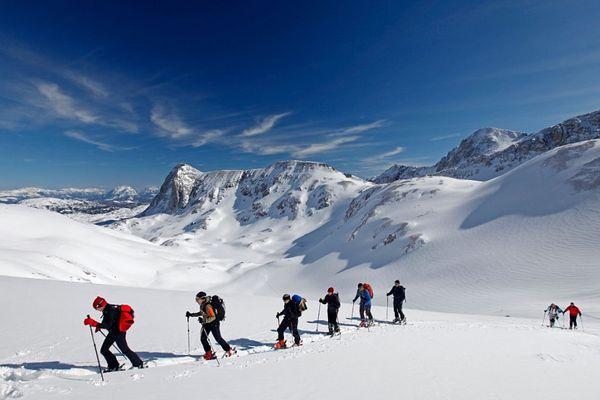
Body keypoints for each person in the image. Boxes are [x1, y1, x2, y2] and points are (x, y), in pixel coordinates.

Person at [83, 296, 144, 372]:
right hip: (113, 332)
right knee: (104, 350)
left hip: (119, 333)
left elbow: (107, 325)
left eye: (96, 308)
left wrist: (94, 323)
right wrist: (99, 326)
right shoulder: (108, 309)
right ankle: (114, 366)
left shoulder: (110, 311)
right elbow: (109, 323)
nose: (97, 310)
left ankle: (138, 364)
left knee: (124, 349)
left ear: (100, 306)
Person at [186, 291, 235, 360]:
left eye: (197, 299)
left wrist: (203, 320)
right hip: (207, 323)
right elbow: (202, 313)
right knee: (203, 338)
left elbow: (213, 317)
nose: (196, 301)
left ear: (202, 298)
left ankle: (229, 350)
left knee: (218, 338)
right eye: (196, 299)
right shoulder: (203, 304)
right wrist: (191, 314)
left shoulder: (207, 306)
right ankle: (209, 353)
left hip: (214, 323)